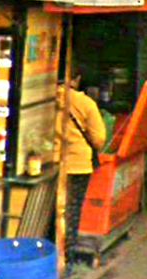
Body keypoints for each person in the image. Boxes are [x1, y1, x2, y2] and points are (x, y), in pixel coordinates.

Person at [54, 64, 106, 263]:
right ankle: (67, 256)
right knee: (72, 211)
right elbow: (99, 139)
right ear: (76, 79)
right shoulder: (85, 103)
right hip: (78, 165)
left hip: (53, 163)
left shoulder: (47, 99)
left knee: (54, 211)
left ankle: (52, 250)